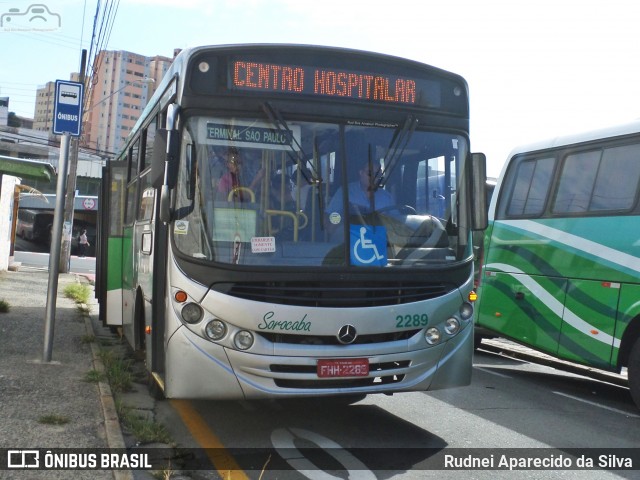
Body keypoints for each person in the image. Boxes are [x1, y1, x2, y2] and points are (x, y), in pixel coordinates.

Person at [326, 159, 394, 216]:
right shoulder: (345, 192)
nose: (374, 177)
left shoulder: (387, 197)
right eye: (370, 173)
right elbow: (330, 217)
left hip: (378, 231)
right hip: (350, 231)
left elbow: (397, 222)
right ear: (361, 173)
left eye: (378, 175)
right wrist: (340, 223)